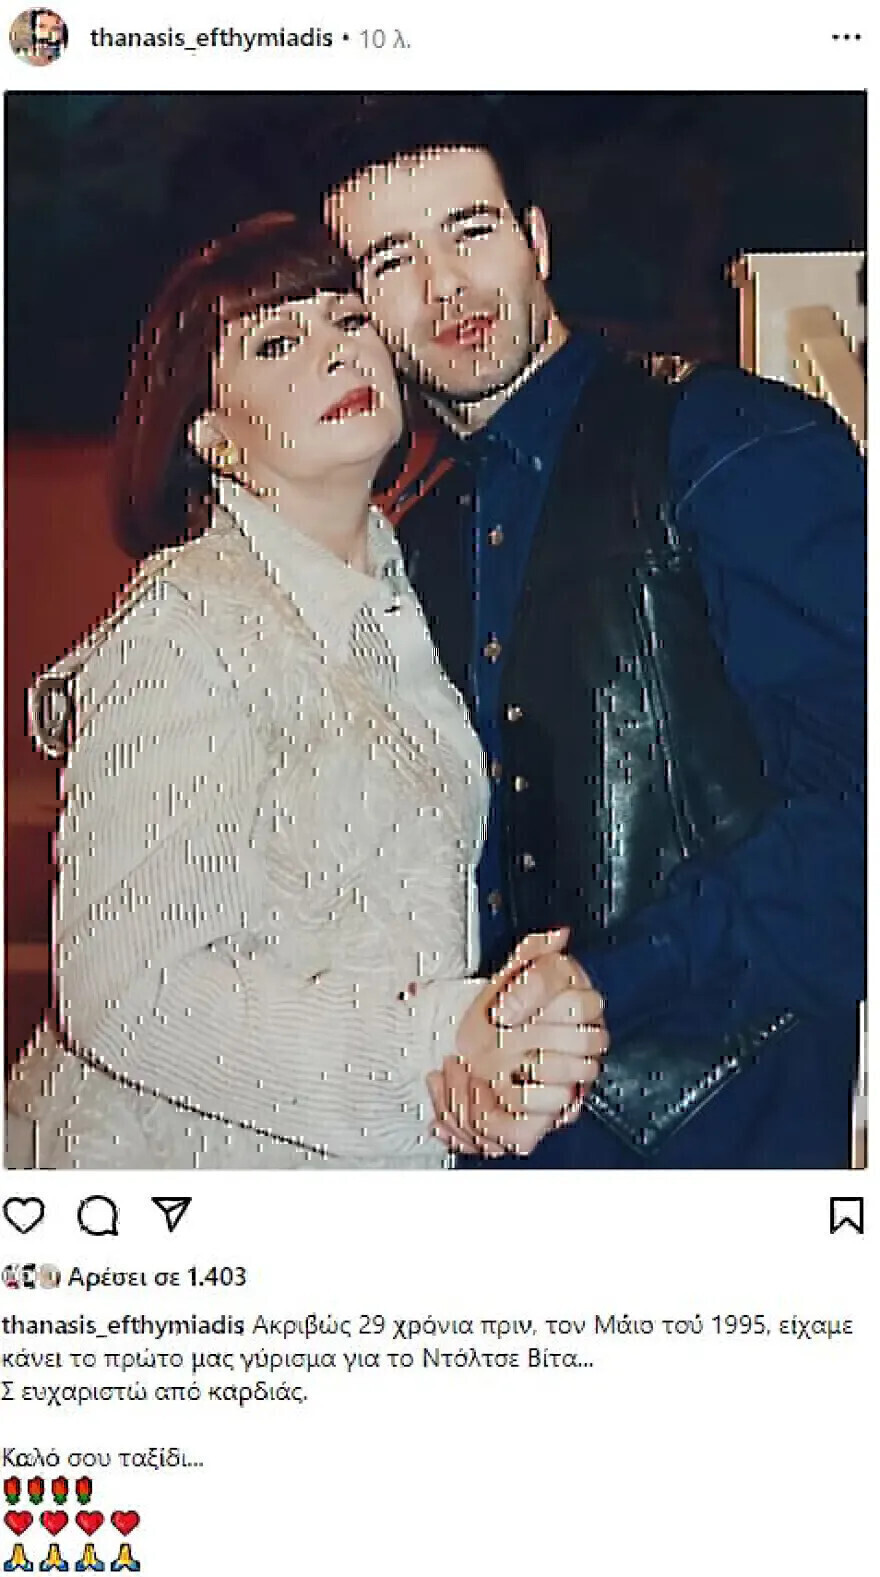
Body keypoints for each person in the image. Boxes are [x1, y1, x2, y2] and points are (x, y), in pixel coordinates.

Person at [311, 96, 866, 1167]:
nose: (443, 285)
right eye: (390, 261)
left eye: (469, 230)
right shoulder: (409, 539)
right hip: (486, 1148)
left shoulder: (729, 442)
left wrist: (610, 981)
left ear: (537, 240)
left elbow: (859, 815)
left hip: (720, 1148)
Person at [7, 213, 608, 1170]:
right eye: (277, 342)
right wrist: (434, 1047)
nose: (336, 350)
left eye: (348, 319)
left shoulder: (412, 598)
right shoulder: (186, 629)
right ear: (211, 434)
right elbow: (129, 991)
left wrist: (506, 1030)